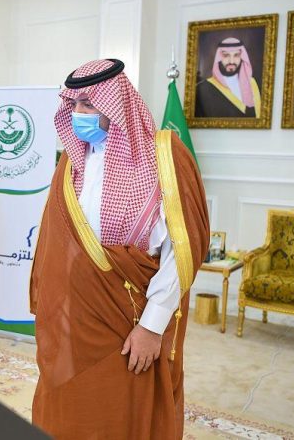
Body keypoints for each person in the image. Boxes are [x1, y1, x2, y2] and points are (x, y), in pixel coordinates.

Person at [29, 59, 209, 439]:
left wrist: (152, 326)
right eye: (74, 104)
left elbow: (182, 251)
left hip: (130, 317)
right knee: (67, 407)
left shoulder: (165, 157)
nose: (78, 113)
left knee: (122, 408)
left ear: (116, 103)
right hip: (74, 320)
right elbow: (57, 243)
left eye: (89, 104)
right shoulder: (71, 163)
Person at [195, 37, 261, 118]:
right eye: (226, 55)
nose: (231, 61)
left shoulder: (252, 84)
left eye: (236, 55)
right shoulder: (204, 88)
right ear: (219, 58)